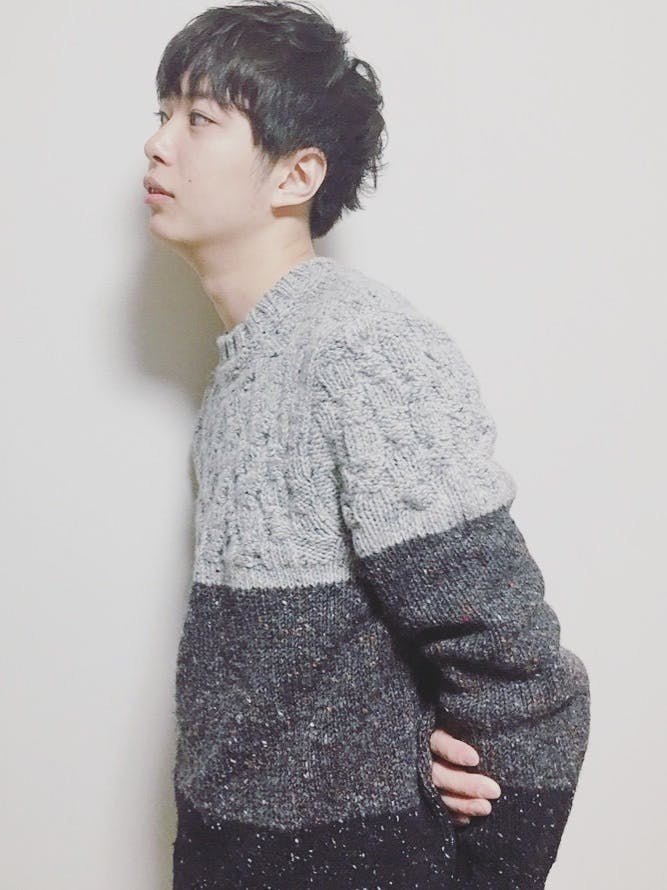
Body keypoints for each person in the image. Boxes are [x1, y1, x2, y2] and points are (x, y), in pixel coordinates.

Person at [143, 3, 591, 887]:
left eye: (198, 119)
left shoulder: (356, 347)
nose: (156, 145)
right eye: (161, 114)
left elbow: (525, 684)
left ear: (296, 173)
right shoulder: (246, 369)